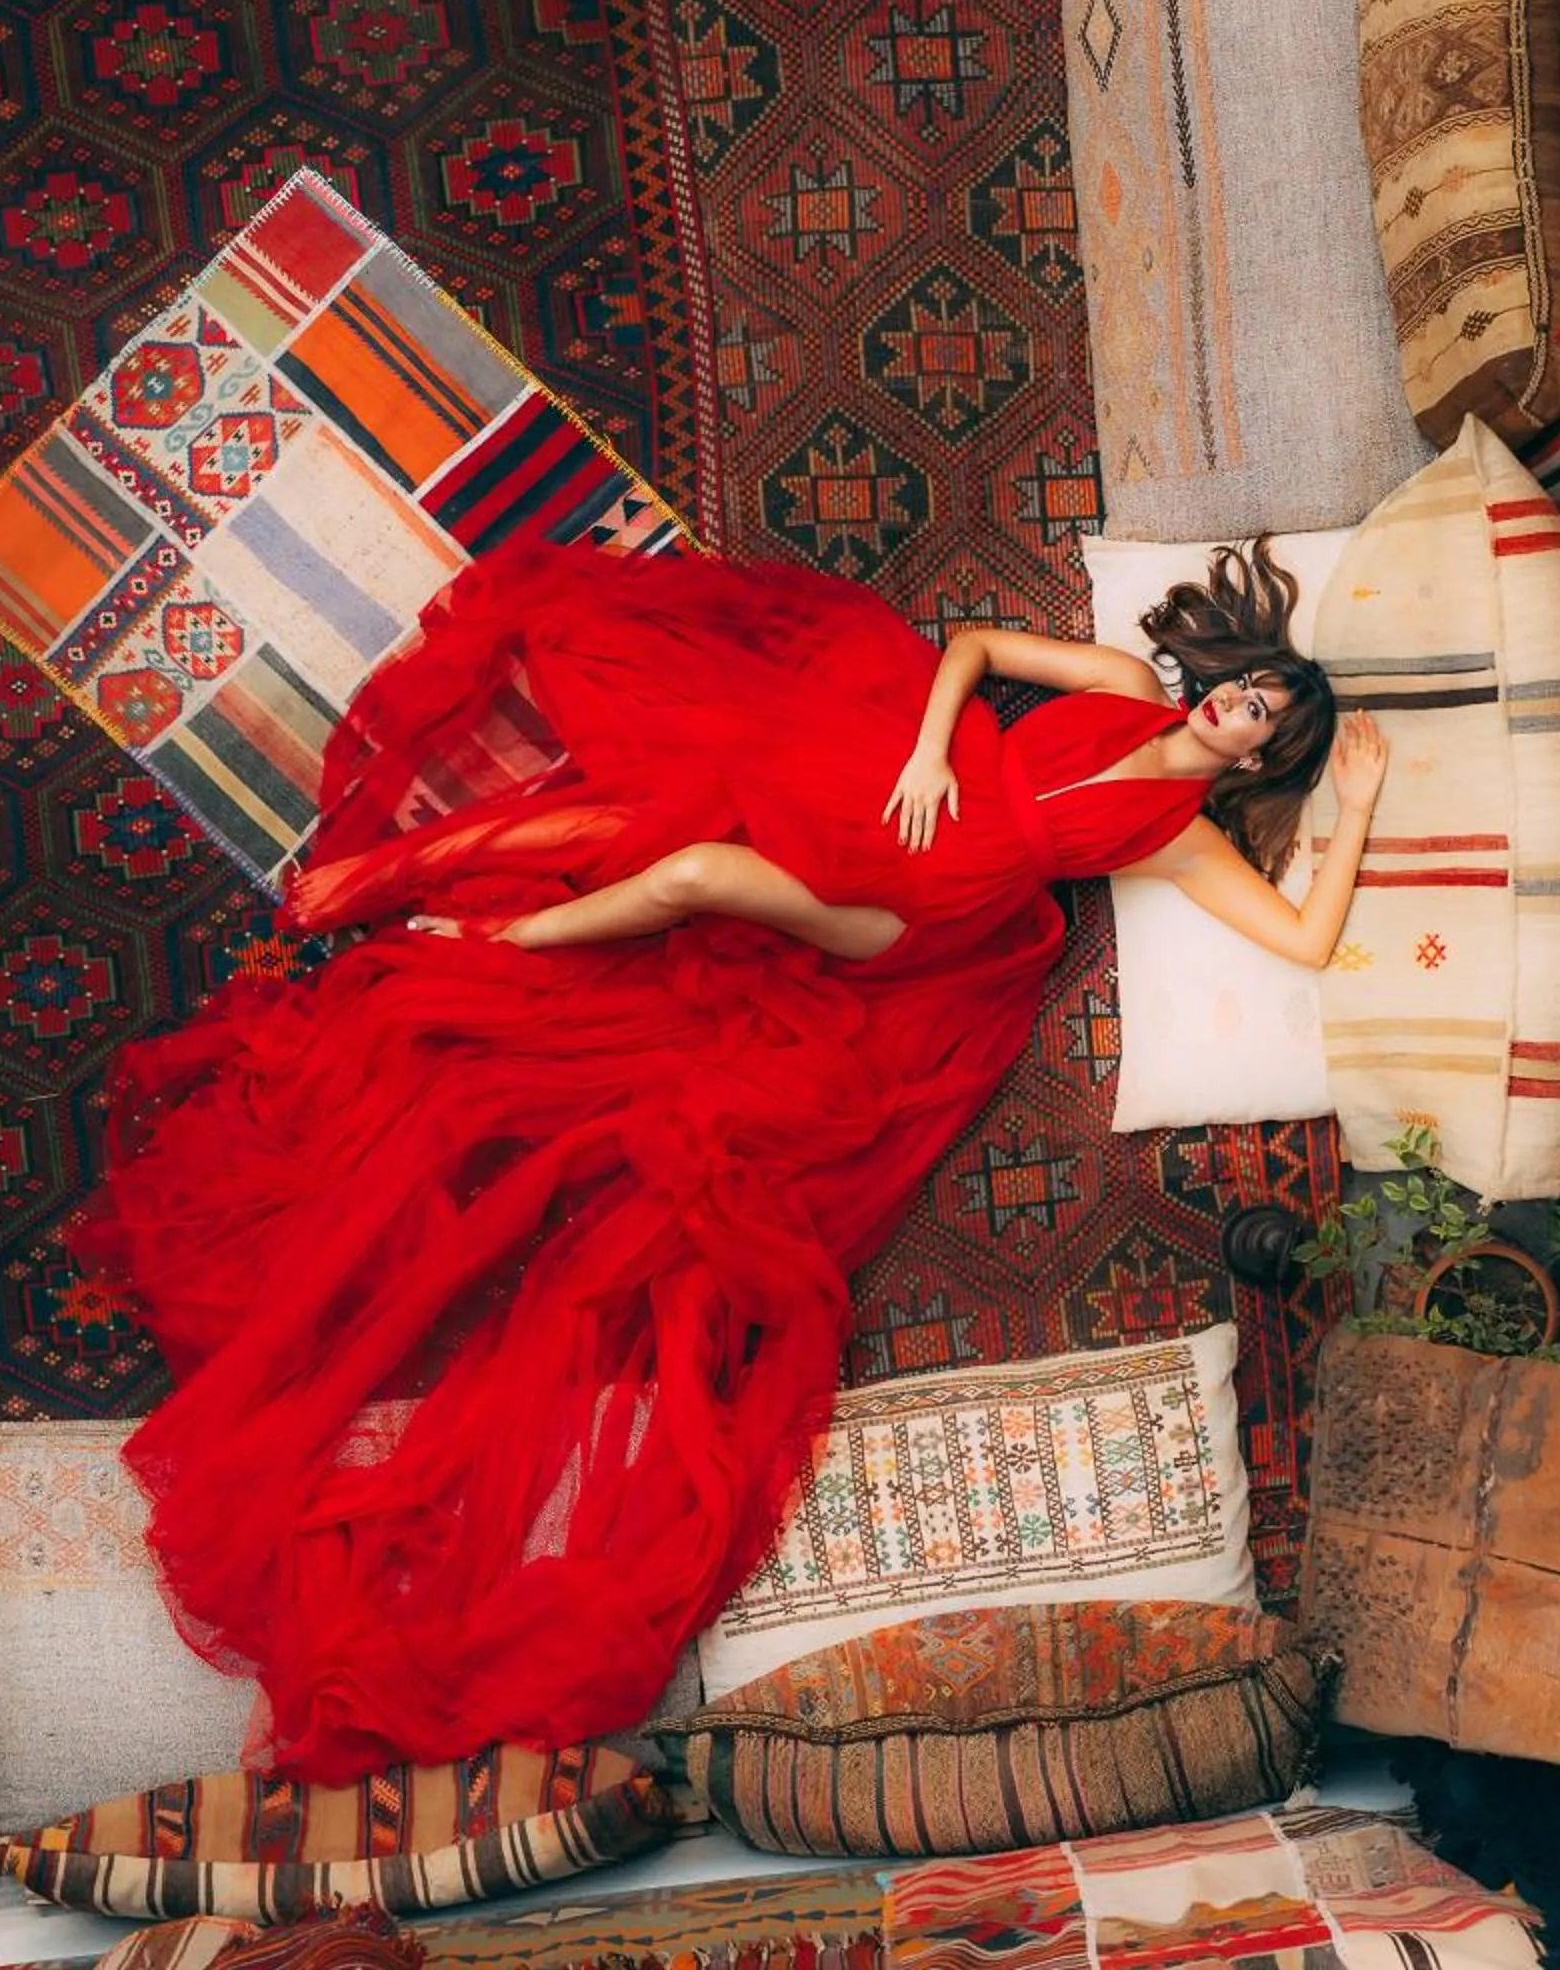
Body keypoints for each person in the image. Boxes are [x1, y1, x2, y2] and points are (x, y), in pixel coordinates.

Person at [70, 536, 1386, 1782]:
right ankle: (402, 874)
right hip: (893, 786)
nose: (1241, 711)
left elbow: (1308, 942)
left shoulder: (1184, 838)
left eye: (1268, 721)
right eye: (1249, 690)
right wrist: (934, 755)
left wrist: (1365, 801)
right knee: (659, 814)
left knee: (699, 870)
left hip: (908, 926)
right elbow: (977, 648)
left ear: (1266, 758)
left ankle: (489, 949)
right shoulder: (1115, 685)